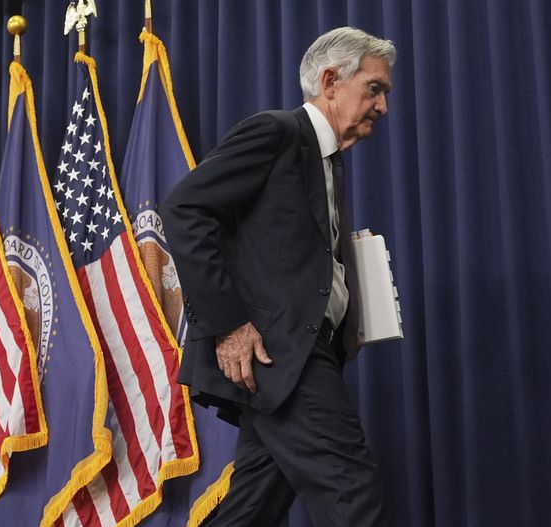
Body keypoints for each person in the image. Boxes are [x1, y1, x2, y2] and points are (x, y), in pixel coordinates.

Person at [161, 27, 396, 526]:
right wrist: (229, 326)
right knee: (350, 488)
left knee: (253, 507)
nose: (382, 106)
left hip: (301, 350)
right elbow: (184, 208)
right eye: (375, 89)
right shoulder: (278, 133)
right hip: (277, 350)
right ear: (331, 80)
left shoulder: (328, 161)